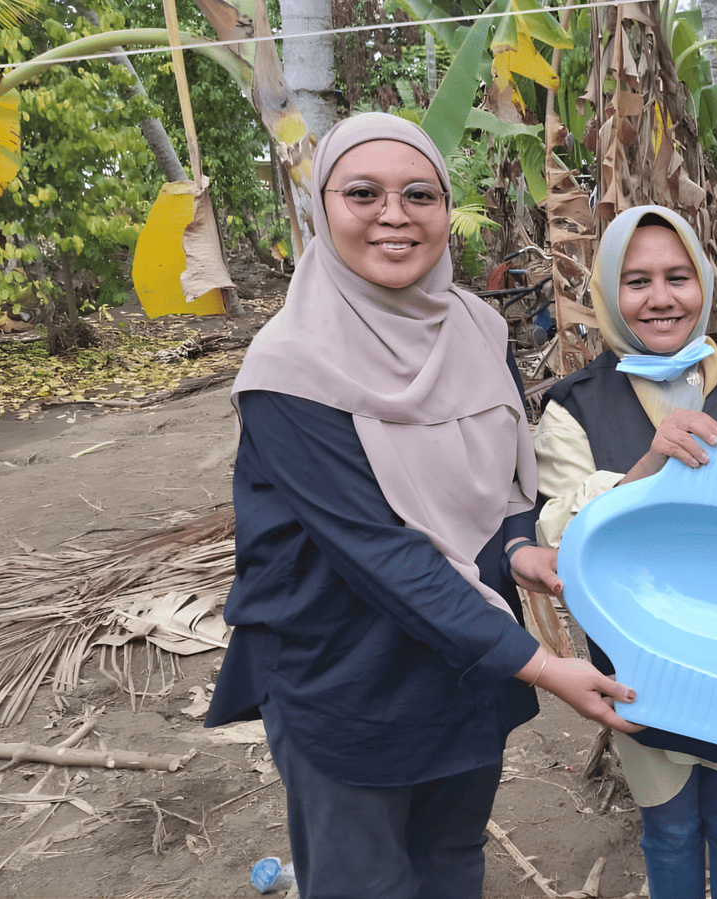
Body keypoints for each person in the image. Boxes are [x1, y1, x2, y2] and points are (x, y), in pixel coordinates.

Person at [203, 112, 638, 899]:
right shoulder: (290, 367)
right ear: (320, 208)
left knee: (450, 859)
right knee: (363, 880)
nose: (394, 214)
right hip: (347, 671)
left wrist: (517, 548)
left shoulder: (475, 327)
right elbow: (380, 551)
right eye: (363, 192)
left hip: (465, 661)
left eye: (420, 193)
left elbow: (502, 480)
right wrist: (543, 665)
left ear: (444, 208)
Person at [528, 205, 717, 898]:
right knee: (672, 829)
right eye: (637, 280)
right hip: (647, 663)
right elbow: (557, 536)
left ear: (705, 285)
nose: (660, 297)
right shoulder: (574, 407)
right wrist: (648, 466)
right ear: (607, 293)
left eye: (678, 276)